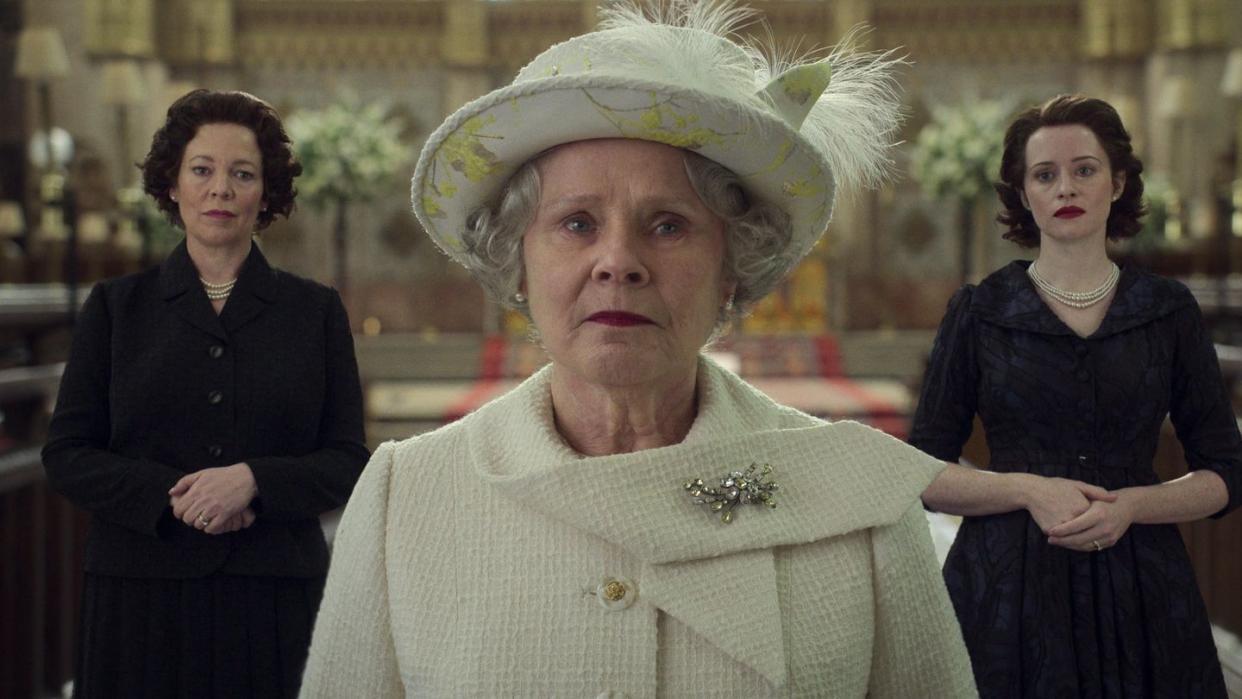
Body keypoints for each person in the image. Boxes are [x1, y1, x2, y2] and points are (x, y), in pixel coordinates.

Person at [301, 2, 976, 696]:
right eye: (576, 222)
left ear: (732, 265)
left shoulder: (862, 496)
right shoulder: (403, 497)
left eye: (668, 224)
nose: (617, 261)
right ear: (519, 261)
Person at [910, 94, 1242, 697]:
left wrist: (1132, 506)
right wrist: (1027, 489)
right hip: (1005, 592)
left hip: (1141, 584)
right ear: (1023, 193)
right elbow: (922, 473)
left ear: (1116, 183)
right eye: (1046, 174)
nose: (1066, 187)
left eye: (1084, 169)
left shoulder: (1167, 311)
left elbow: (1226, 471)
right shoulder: (980, 311)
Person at [42, 89, 369, 698]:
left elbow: (348, 459)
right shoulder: (116, 308)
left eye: (242, 174)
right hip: (138, 596)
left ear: (266, 194)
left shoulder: (314, 311)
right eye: (202, 170)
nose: (220, 188)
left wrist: (255, 482)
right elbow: (67, 455)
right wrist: (174, 499)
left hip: (273, 596)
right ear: (172, 185)